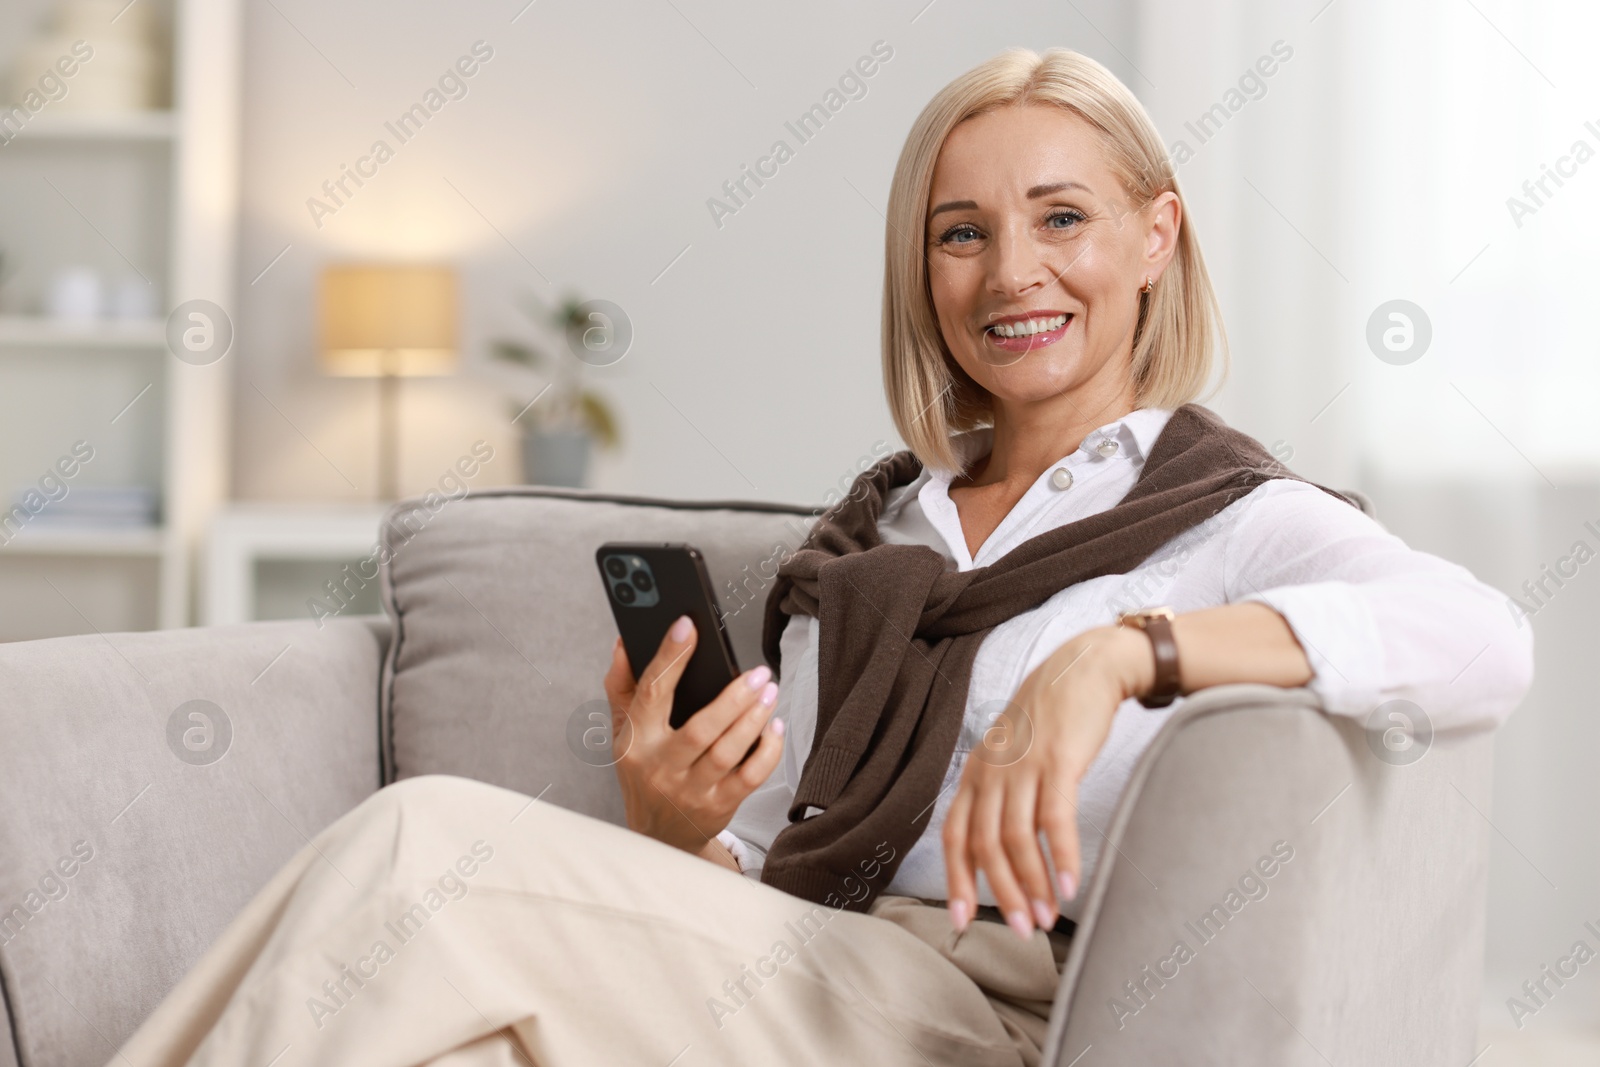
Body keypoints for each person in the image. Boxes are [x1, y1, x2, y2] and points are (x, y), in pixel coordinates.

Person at [110, 46, 1532, 1067]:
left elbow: (1480, 638)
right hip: (793, 976)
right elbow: (769, 868)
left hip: (979, 1012)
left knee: (421, 845)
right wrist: (674, 826)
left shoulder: (1219, 511)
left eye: (1062, 219)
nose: (1010, 274)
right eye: (960, 235)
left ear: (1156, 237)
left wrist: (1121, 655)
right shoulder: (871, 546)